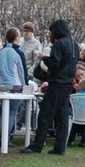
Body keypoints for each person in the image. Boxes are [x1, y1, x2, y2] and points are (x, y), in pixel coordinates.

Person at [25, 19, 79, 155]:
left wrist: (43, 58)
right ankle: (60, 147)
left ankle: (37, 145)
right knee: (62, 117)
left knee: (45, 115)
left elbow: (54, 64)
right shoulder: (74, 44)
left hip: (56, 83)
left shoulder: (59, 44)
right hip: (67, 83)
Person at [0, 26, 29, 141]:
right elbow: (22, 71)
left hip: (2, 85)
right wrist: (25, 86)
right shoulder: (18, 53)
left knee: (2, 112)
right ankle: (5, 138)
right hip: (16, 85)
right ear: (16, 37)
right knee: (11, 113)